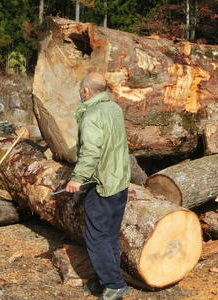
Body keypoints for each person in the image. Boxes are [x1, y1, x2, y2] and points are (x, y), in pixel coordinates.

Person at [65, 72, 130, 300]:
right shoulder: (114, 108)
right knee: (110, 235)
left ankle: (114, 283)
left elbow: (92, 152)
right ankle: (109, 281)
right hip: (120, 182)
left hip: (102, 184)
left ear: (86, 91)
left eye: (80, 91)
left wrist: (77, 178)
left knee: (96, 236)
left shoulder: (91, 115)